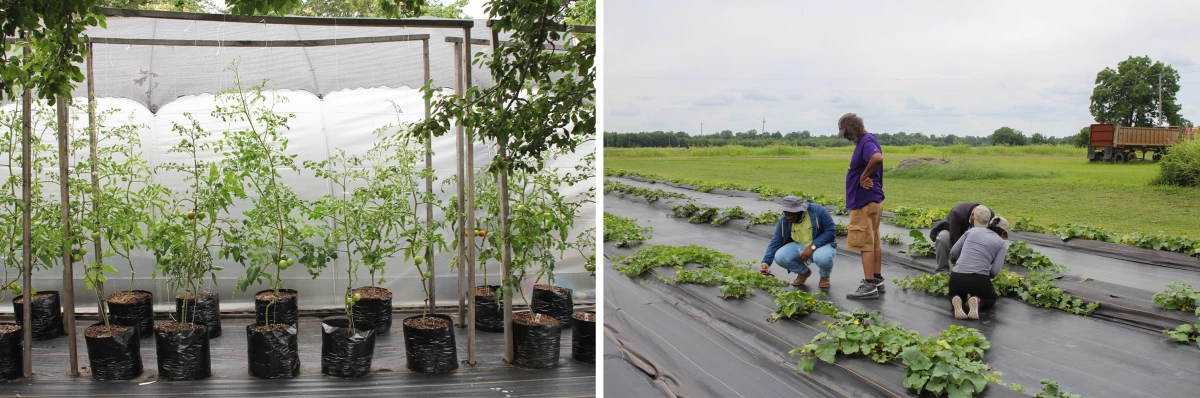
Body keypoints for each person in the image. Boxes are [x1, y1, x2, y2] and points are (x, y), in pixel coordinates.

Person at [838, 113, 886, 300]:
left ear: (855, 130)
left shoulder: (866, 141)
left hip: (864, 201)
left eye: (847, 134)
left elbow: (877, 158)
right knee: (873, 240)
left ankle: (868, 286)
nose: (847, 138)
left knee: (865, 242)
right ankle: (876, 279)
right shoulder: (867, 140)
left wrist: (863, 177)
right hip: (872, 200)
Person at [758, 196, 838, 287]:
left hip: (821, 245)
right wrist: (766, 263)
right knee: (780, 257)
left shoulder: (819, 211)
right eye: (785, 213)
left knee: (823, 258)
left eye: (791, 214)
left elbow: (830, 232)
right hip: (801, 245)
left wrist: (812, 247)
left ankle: (825, 276)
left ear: (799, 210)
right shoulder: (784, 221)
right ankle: (803, 272)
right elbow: (776, 241)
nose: (788, 217)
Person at [949, 216, 1011, 320]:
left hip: (957, 275)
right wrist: (986, 277)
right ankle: (978, 301)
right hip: (979, 278)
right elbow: (995, 270)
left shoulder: (972, 231)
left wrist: (962, 263)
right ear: (1003, 233)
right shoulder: (1001, 243)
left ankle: (958, 298)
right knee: (990, 298)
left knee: (955, 294)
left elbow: (954, 251)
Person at [929, 203, 994, 273]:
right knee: (943, 238)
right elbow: (955, 237)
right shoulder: (958, 212)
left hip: (973, 236)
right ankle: (942, 271)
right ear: (972, 215)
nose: (978, 226)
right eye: (976, 223)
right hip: (952, 232)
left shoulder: (988, 215)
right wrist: (960, 258)